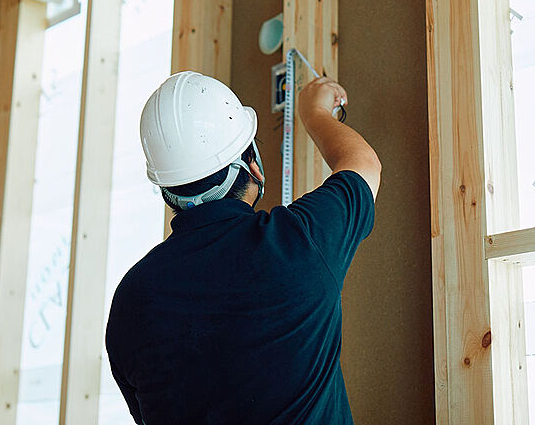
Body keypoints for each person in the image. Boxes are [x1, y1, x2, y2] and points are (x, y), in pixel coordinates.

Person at [105, 70, 381, 424]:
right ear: (253, 166)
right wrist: (315, 113)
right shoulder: (297, 241)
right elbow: (363, 166)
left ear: (166, 190)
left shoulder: (130, 300)